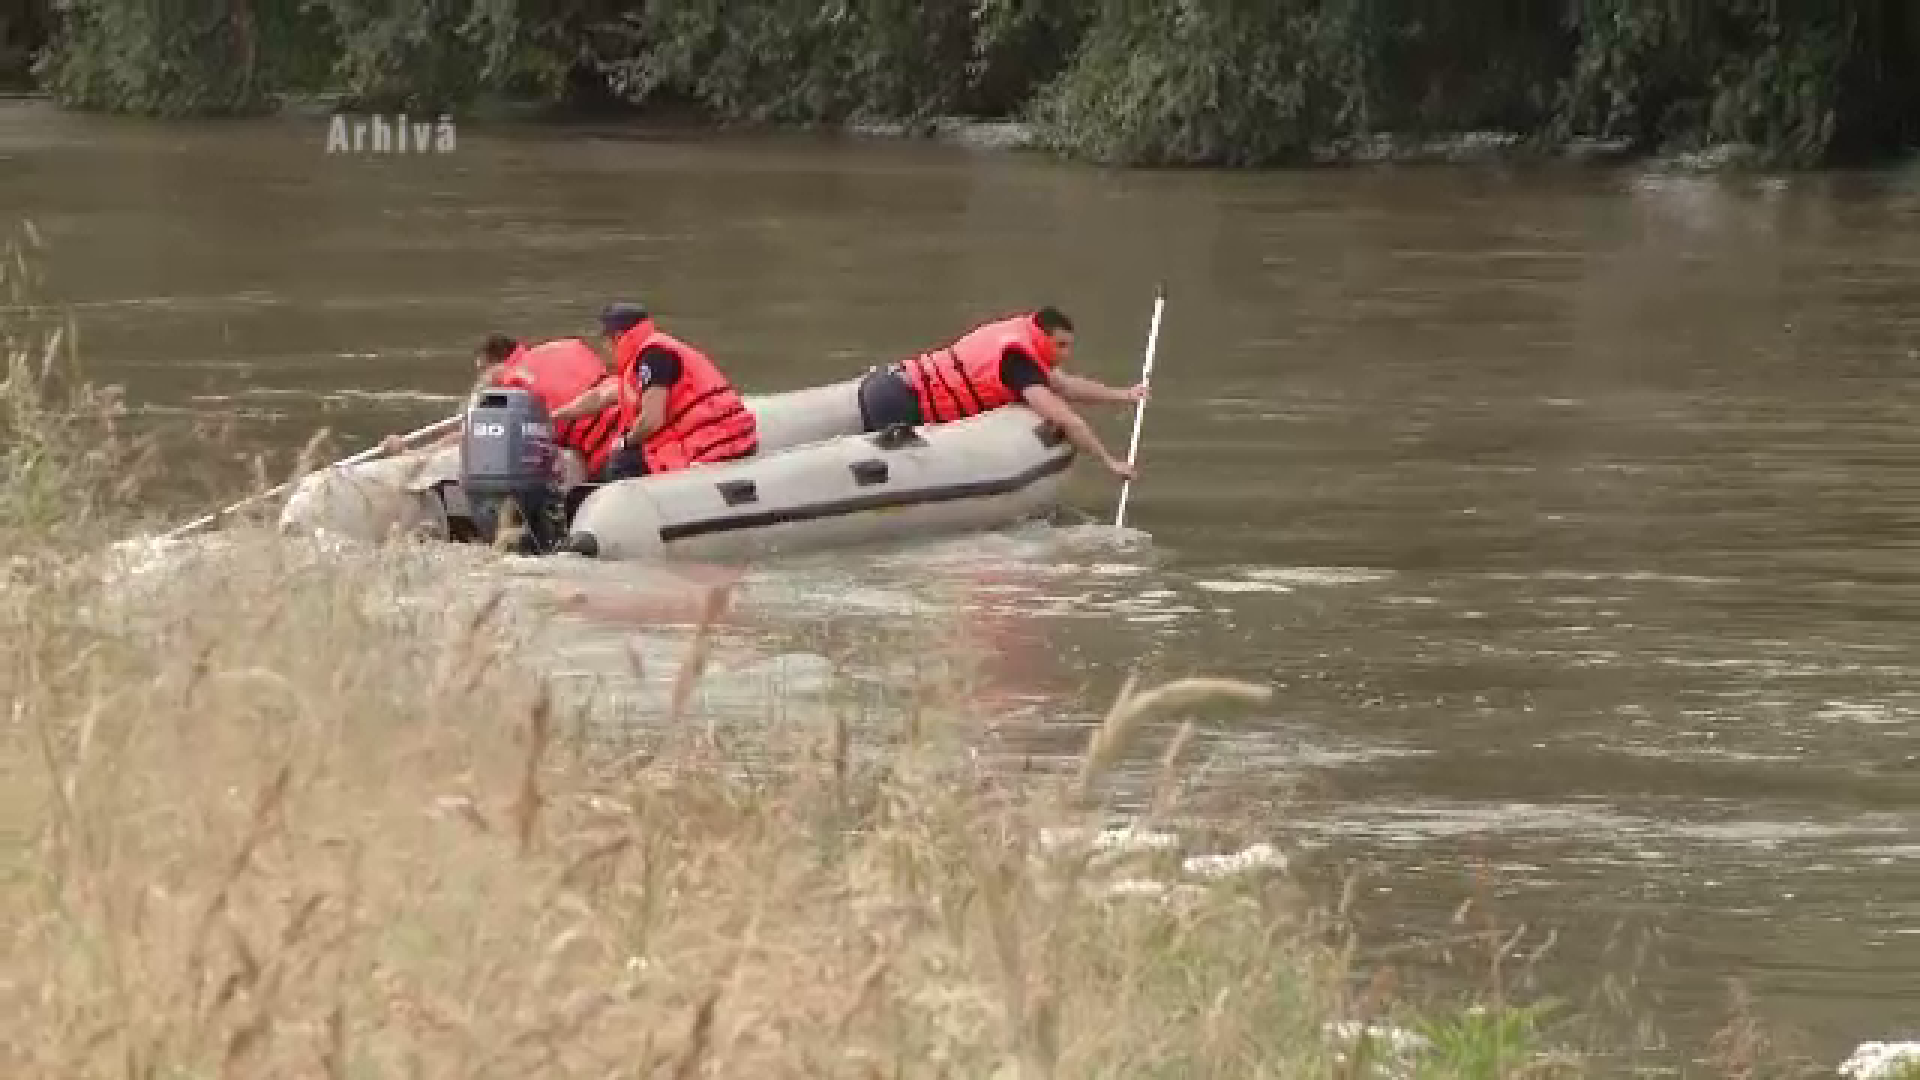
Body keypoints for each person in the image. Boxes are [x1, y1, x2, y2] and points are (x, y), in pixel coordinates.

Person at [855, 306, 1147, 480]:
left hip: (885, 382)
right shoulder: (1018, 363)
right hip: (900, 400)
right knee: (903, 469)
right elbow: (1067, 420)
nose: (1065, 354)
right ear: (1043, 337)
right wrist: (1109, 462)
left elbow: (1067, 386)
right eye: (1061, 346)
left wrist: (1124, 395)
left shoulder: (1018, 337)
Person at [548, 302, 758, 482]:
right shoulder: (645, 356)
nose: (604, 348)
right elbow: (600, 397)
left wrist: (624, 442)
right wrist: (554, 416)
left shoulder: (653, 356)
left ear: (618, 337)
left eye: (605, 340)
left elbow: (651, 420)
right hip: (703, 437)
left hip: (714, 442)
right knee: (623, 458)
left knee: (622, 462)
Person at [380, 333, 623, 488]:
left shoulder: (513, 384)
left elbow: (471, 435)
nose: (482, 380)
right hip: (634, 429)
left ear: (497, 364)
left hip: (605, 454)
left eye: (483, 371)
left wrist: (410, 452)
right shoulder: (569, 346)